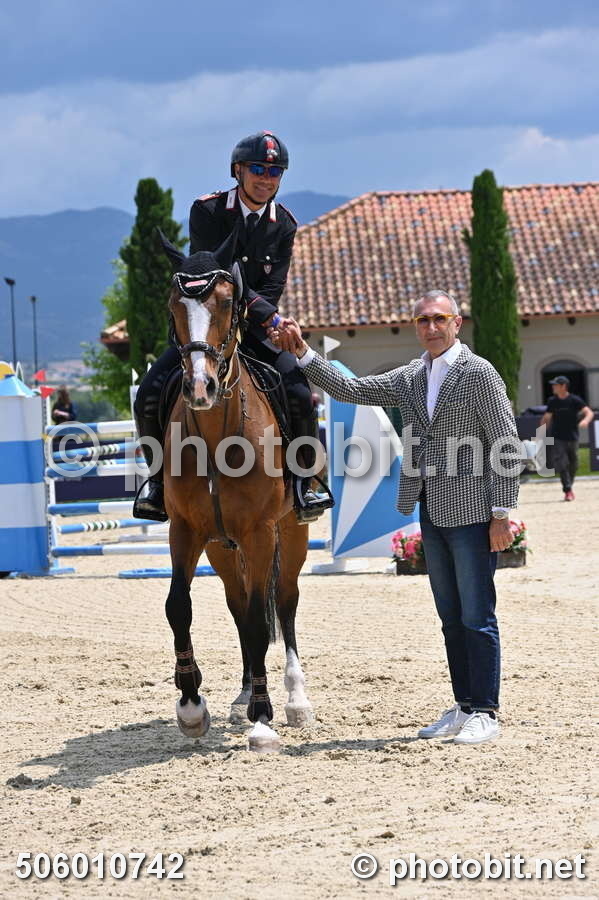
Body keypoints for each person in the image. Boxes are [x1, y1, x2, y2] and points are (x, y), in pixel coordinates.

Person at [274, 290, 520, 745]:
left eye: (439, 318)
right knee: (450, 617)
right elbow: (351, 389)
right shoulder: (411, 376)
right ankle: (465, 705)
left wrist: (502, 514)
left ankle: (486, 710)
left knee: (477, 616)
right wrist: (303, 352)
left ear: (457, 323)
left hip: (473, 512)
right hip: (431, 510)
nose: (431, 327)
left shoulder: (479, 373)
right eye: (423, 320)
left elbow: (505, 442)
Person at [133, 130, 333, 523]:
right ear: (238, 171)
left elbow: (272, 287)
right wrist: (270, 316)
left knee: (299, 391)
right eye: (258, 169)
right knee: (149, 393)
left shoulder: (284, 224)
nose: (266, 178)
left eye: (275, 171)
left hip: (253, 329)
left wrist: (269, 320)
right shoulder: (207, 211)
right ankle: (156, 483)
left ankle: (304, 483)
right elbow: (208, 272)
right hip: (206, 326)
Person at [541, 376, 594, 501]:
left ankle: (569, 485)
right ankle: (568, 490)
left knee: (574, 464)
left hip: (572, 437)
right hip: (557, 437)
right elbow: (547, 417)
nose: (553, 387)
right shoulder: (553, 401)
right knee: (562, 463)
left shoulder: (575, 400)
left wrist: (585, 421)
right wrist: (541, 432)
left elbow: (589, 412)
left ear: (563, 386)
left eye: (555, 385)